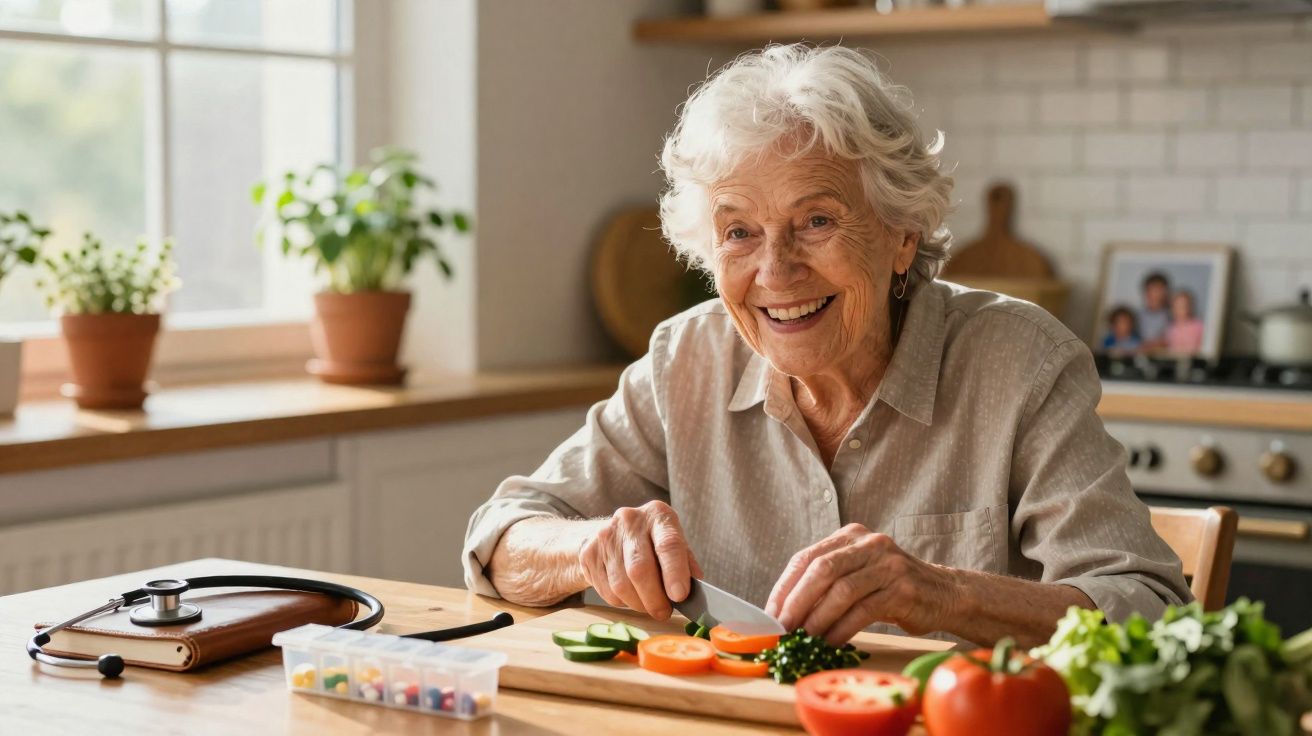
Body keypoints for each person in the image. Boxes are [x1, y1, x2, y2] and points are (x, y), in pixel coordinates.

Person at [462, 44, 1188, 648]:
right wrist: (590, 545)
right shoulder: (685, 360)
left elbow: (1152, 611)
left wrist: (944, 595)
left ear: (903, 234)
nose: (776, 272)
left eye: (816, 222)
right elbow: (498, 539)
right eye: (739, 232)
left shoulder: (1020, 362)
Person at [1138, 272, 1172, 352]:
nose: (1156, 294)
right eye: (1153, 289)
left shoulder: (1171, 315)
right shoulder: (1136, 316)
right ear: (1145, 292)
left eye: (1160, 290)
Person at [1166, 290, 1204, 355]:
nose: (1180, 309)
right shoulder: (1171, 328)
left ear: (1190, 307)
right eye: (1177, 306)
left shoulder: (1198, 326)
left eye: (1184, 306)